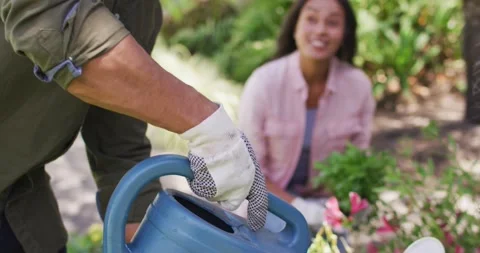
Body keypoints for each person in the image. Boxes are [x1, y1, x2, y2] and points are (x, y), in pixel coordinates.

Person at [0, 1, 268, 252]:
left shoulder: (140, 7)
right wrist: (209, 127)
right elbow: (50, 22)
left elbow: (118, 142)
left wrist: (149, 233)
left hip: (19, 196)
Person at [238, 0, 375, 231]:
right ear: (295, 26)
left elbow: (359, 164)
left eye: (332, 23)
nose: (321, 30)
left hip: (328, 212)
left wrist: (352, 206)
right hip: (266, 205)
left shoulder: (358, 86)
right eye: (311, 19)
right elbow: (247, 171)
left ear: (345, 33)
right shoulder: (263, 83)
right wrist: (302, 210)